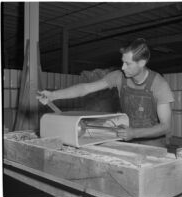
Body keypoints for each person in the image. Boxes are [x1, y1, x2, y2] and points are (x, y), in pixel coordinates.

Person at [37, 38, 174, 147]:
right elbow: (85, 88)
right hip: (127, 135)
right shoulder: (119, 77)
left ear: (142, 63)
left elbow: (165, 127)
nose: (123, 67)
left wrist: (134, 133)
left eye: (128, 63)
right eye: (122, 62)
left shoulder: (159, 85)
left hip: (153, 142)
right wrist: (53, 95)